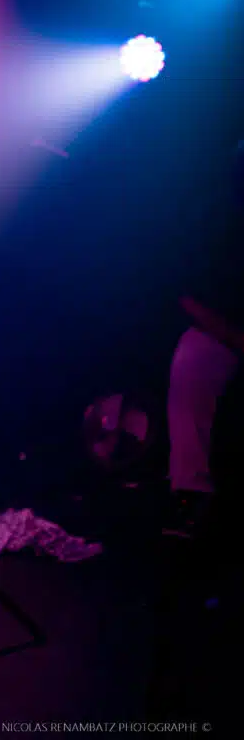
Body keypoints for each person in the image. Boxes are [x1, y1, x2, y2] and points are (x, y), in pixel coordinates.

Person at [164, 143, 244, 539]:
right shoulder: (215, 218)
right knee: (191, 361)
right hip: (226, 331)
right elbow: (185, 293)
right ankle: (191, 492)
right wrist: (232, 336)